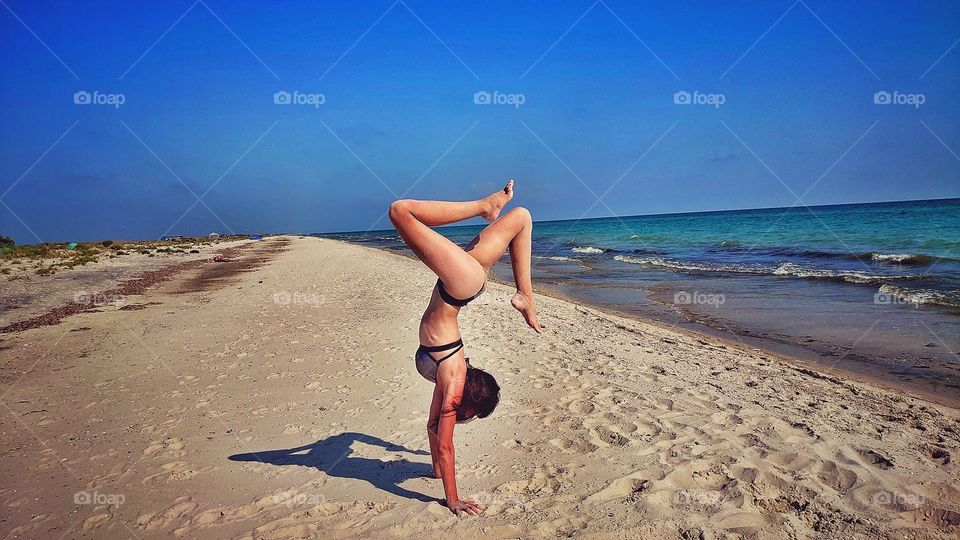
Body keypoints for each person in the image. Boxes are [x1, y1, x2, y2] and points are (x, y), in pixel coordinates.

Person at [388, 179, 542, 516]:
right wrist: (452, 499)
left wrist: (437, 472)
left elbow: (433, 430)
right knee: (400, 211)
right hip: (461, 285)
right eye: (470, 416)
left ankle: (525, 296)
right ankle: (484, 207)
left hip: (466, 284)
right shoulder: (454, 382)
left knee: (522, 217)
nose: (465, 419)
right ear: (469, 404)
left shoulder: (449, 379)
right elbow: (446, 444)